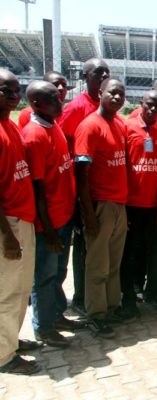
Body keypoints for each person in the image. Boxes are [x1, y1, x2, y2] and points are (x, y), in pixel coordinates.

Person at [22, 81, 83, 349]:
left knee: (58, 272)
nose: (61, 103)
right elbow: (36, 187)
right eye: (53, 99)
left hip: (64, 215)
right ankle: (43, 327)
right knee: (44, 277)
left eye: (60, 98)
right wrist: (47, 229)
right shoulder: (34, 135)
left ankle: (56, 315)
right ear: (36, 103)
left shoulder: (53, 125)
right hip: (49, 223)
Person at [74, 78, 128, 338]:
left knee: (114, 261)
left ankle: (111, 306)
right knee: (97, 263)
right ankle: (95, 314)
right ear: (99, 93)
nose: (117, 98)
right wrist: (87, 214)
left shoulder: (118, 124)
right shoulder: (89, 126)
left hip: (119, 203)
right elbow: (81, 174)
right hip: (100, 204)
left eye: (121, 94)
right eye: (112, 93)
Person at [59, 57, 110, 316]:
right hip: (83, 188)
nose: (102, 75)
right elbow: (65, 147)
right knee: (82, 246)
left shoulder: (107, 105)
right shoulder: (76, 107)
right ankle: (80, 296)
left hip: (105, 188)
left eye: (106, 72)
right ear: (86, 76)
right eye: (96, 72)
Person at [0, 69, 39, 375]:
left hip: (22, 219)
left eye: (16, 91)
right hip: (8, 225)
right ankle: (3, 356)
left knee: (20, 289)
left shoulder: (9, 127)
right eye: (6, 91)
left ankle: (10, 340)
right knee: (8, 291)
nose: (13, 96)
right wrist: (8, 237)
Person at [120, 90, 157, 315]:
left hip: (153, 206)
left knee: (156, 252)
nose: (152, 110)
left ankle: (154, 294)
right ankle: (129, 297)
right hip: (131, 204)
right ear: (141, 103)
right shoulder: (127, 127)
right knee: (130, 252)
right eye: (149, 105)